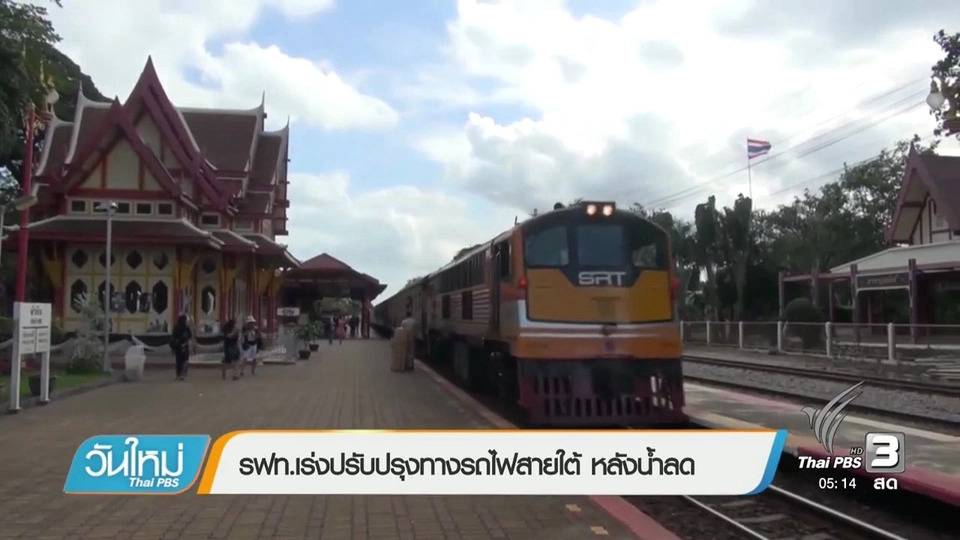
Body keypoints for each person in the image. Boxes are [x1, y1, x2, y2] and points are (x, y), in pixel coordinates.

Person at [170, 314, 193, 381]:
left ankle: (178, 375)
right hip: (184, 346)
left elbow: (173, 337)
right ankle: (183, 375)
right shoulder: (186, 328)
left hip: (178, 347)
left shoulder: (176, 327)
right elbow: (189, 337)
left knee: (178, 361)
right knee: (185, 360)